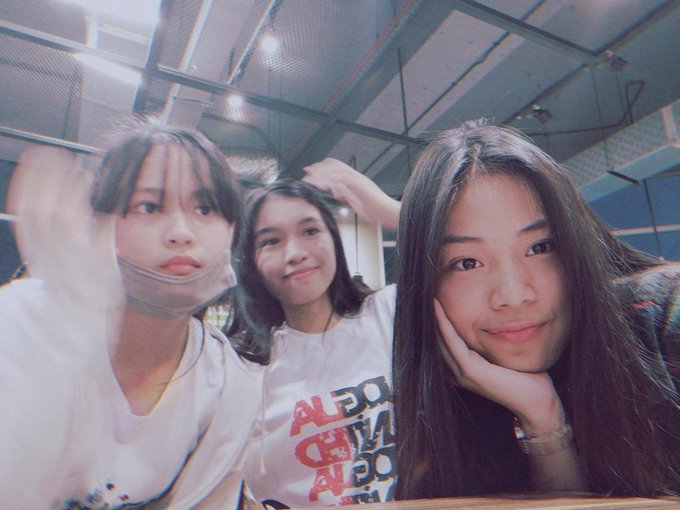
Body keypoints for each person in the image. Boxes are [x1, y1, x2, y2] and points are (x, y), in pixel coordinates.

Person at [392, 120, 680, 499]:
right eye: (467, 263)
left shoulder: (662, 316)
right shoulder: (441, 416)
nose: (513, 296)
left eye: (540, 248)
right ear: (425, 285)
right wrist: (543, 423)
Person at [0, 122, 262, 508]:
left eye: (205, 208)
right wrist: (64, 331)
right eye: (149, 206)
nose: (181, 232)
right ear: (99, 223)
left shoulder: (229, 383)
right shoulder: (21, 320)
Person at [231, 178, 398, 507]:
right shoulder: (242, 371)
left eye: (309, 231)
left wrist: (390, 212)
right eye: (271, 241)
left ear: (333, 237)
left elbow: (473, 245)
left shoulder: (388, 313)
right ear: (251, 262)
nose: (295, 253)